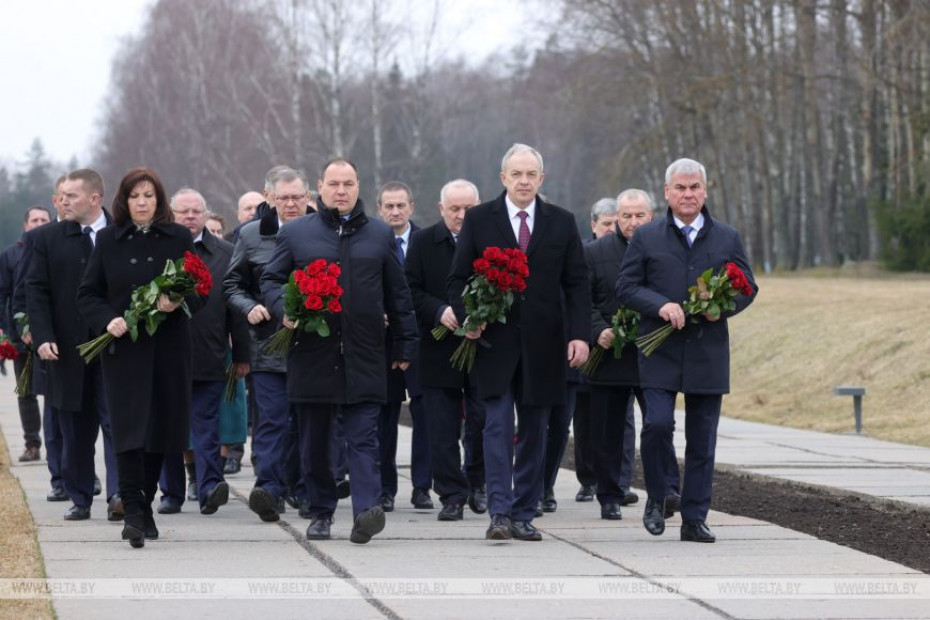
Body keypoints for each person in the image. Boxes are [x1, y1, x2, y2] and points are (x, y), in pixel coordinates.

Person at [261, 157, 417, 544]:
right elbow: (271, 280)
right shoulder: (298, 234)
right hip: (313, 353)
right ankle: (321, 511)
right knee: (315, 439)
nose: (342, 191)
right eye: (334, 184)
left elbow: (398, 293)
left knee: (364, 436)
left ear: (358, 186)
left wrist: (404, 342)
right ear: (320, 188)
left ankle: (366, 510)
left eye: (348, 183)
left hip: (365, 352)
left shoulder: (379, 235)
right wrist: (285, 309)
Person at [447, 144, 590, 541]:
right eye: (517, 174)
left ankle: (525, 512)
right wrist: (469, 317)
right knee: (495, 426)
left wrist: (580, 334)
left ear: (541, 179)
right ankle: (499, 511)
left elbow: (577, 282)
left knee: (534, 429)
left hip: (546, 344)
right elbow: (457, 279)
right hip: (495, 342)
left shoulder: (561, 222)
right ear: (503, 178)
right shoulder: (479, 219)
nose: (524, 181)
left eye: (531, 174)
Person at [617, 158, 758, 543]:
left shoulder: (727, 237)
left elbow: (748, 288)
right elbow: (626, 287)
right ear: (666, 192)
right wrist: (659, 305)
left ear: (705, 191)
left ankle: (694, 518)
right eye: (680, 187)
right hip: (658, 351)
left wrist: (720, 309)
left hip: (706, 353)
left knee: (702, 440)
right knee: (657, 424)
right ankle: (659, 496)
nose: (688, 194)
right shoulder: (647, 237)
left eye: (694, 187)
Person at [77, 167, 204, 548]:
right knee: (130, 430)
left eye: (149, 195)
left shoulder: (179, 237)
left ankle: (145, 504)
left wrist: (178, 298)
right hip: (125, 351)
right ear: (124, 201)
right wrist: (108, 320)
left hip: (168, 350)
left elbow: (201, 290)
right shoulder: (108, 239)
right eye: (135, 196)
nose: (143, 202)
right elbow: (88, 295)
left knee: (161, 431)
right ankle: (132, 510)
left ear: (159, 200)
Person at [26, 169, 120, 522]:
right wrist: (44, 336)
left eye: (71, 195)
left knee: (117, 425)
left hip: (115, 347)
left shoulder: (119, 234)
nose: (62, 201)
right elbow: (35, 291)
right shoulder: (46, 239)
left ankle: (119, 496)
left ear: (95, 198)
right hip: (65, 350)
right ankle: (80, 496)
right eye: (61, 195)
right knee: (75, 428)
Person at [584, 188, 681, 520]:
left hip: (653, 349)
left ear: (651, 216)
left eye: (640, 215)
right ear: (617, 218)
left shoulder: (667, 249)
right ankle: (609, 493)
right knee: (607, 431)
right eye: (626, 216)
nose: (633, 222)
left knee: (659, 424)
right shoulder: (595, 253)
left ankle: (667, 490)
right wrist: (598, 330)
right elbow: (583, 300)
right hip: (609, 353)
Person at [225, 168, 310, 522]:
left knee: (307, 422)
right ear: (269, 197)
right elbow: (232, 285)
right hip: (268, 344)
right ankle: (270, 490)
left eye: (297, 197)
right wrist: (250, 307)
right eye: (283, 198)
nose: (291, 204)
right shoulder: (250, 235)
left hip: (313, 346)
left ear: (308, 196)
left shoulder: (324, 231)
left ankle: (306, 489)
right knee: (273, 421)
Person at [158, 189, 249, 515]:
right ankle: (171, 492)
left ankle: (210, 486)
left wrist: (241, 354)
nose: (191, 216)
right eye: (184, 211)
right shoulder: (159, 249)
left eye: (197, 211)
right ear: (172, 213)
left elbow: (235, 308)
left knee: (208, 425)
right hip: (166, 356)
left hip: (208, 351)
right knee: (169, 426)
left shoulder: (225, 252)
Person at [405, 179, 487, 521]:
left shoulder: (490, 240)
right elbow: (410, 289)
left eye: (468, 208)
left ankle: (478, 483)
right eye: (454, 208)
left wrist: (484, 314)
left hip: (483, 346)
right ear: (441, 209)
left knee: (483, 421)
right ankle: (452, 493)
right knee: (442, 426)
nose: (461, 215)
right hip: (439, 348)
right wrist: (440, 310)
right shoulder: (424, 241)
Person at [375, 181, 433, 512]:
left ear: (411, 207)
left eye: (401, 205)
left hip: (423, 342)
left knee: (425, 416)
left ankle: (423, 486)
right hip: (383, 343)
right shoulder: (372, 241)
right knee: (384, 417)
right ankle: (385, 488)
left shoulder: (425, 242)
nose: (395, 211)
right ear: (380, 208)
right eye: (388, 206)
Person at [13, 177, 69, 501]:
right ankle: (60, 478)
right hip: (50, 342)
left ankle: (83, 474)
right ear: (56, 200)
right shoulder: (37, 240)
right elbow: (22, 293)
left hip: (90, 341)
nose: (68, 201)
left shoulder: (97, 235)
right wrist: (27, 328)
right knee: (56, 413)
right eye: (64, 196)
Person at [0, 206, 51, 462]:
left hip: (54, 335)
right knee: (26, 390)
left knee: (55, 393)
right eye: (35, 220)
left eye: (44, 219)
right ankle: (32, 443)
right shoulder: (10, 256)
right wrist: (7, 329)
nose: (39, 224)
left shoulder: (58, 251)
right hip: (22, 336)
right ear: (25, 224)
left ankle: (59, 447)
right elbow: (3, 295)